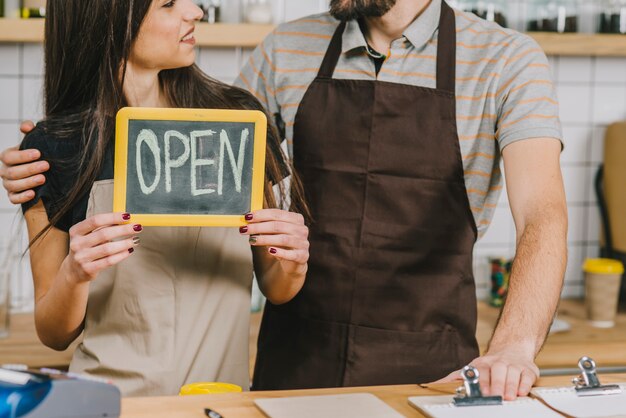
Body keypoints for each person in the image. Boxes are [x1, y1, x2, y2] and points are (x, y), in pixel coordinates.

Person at [1, 0, 567, 400]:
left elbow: (542, 213)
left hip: (431, 365)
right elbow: (202, 155)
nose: (196, 11)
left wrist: (515, 345)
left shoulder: (504, 60)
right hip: (290, 365)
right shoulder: (284, 52)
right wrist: (51, 158)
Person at [2, 0, 310, 397]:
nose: (195, 11)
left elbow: (277, 286)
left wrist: (293, 259)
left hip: (220, 402)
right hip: (112, 403)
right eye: (168, 3)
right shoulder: (54, 147)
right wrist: (74, 274)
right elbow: (53, 333)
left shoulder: (237, 119)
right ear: (109, 19)